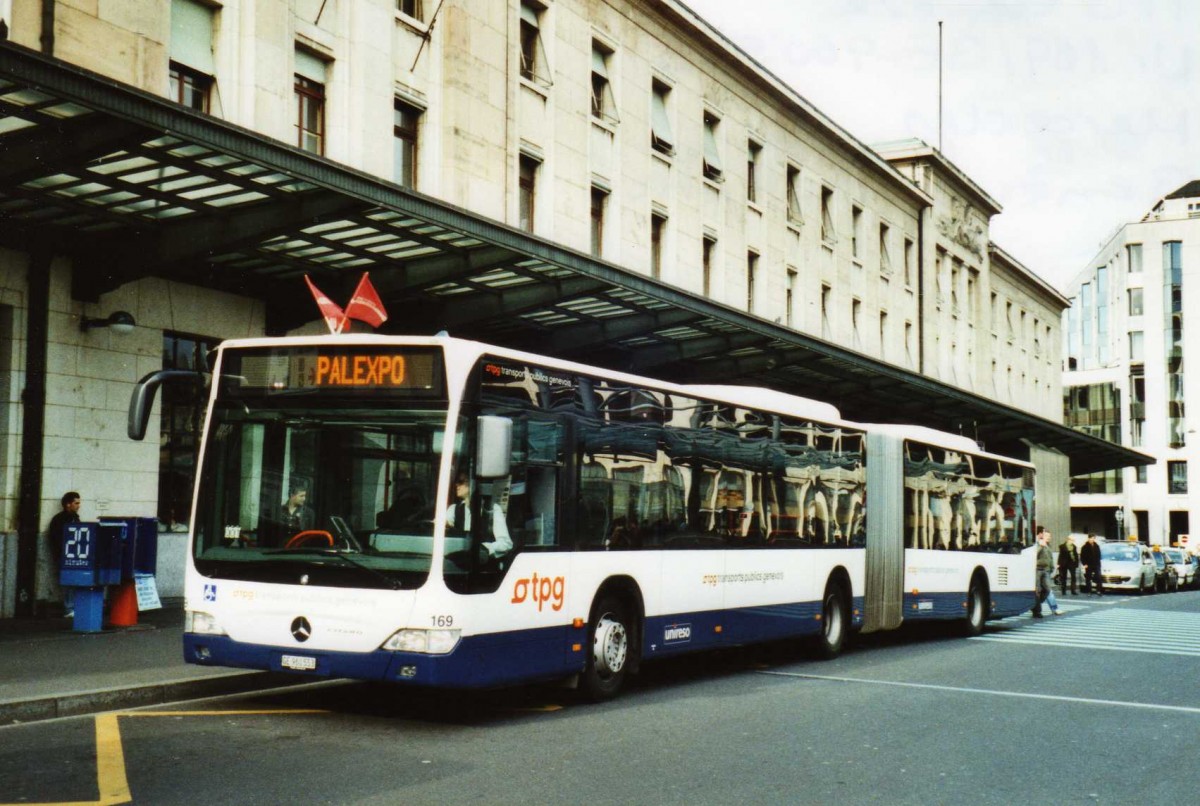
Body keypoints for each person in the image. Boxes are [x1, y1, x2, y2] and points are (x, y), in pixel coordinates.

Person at [446, 471, 512, 561]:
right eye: (456, 482)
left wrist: (484, 548)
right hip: (458, 566)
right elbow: (440, 524)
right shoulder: (453, 509)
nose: (457, 485)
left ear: (473, 483)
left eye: (461, 481)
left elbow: (506, 544)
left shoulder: (492, 509)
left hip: (483, 567)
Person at [47, 491, 82, 618]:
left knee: (72, 582)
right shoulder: (60, 520)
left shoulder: (74, 518)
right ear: (68, 504)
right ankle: (69, 608)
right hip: (65, 555)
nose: (79, 506)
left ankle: (71, 607)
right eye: (76, 503)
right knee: (69, 582)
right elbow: (56, 538)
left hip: (72, 555)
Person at [1031, 526, 1060, 618]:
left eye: (1049, 536)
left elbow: (1050, 558)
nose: (1048, 537)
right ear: (1041, 535)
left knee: (1047, 590)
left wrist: (1052, 568)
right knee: (1038, 591)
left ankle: (1035, 605)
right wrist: (1040, 546)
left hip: (1046, 570)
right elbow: (1034, 555)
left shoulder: (1048, 545)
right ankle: (1037, 611)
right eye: (1046, 535)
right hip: (1038, 569)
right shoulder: (1037, 544)